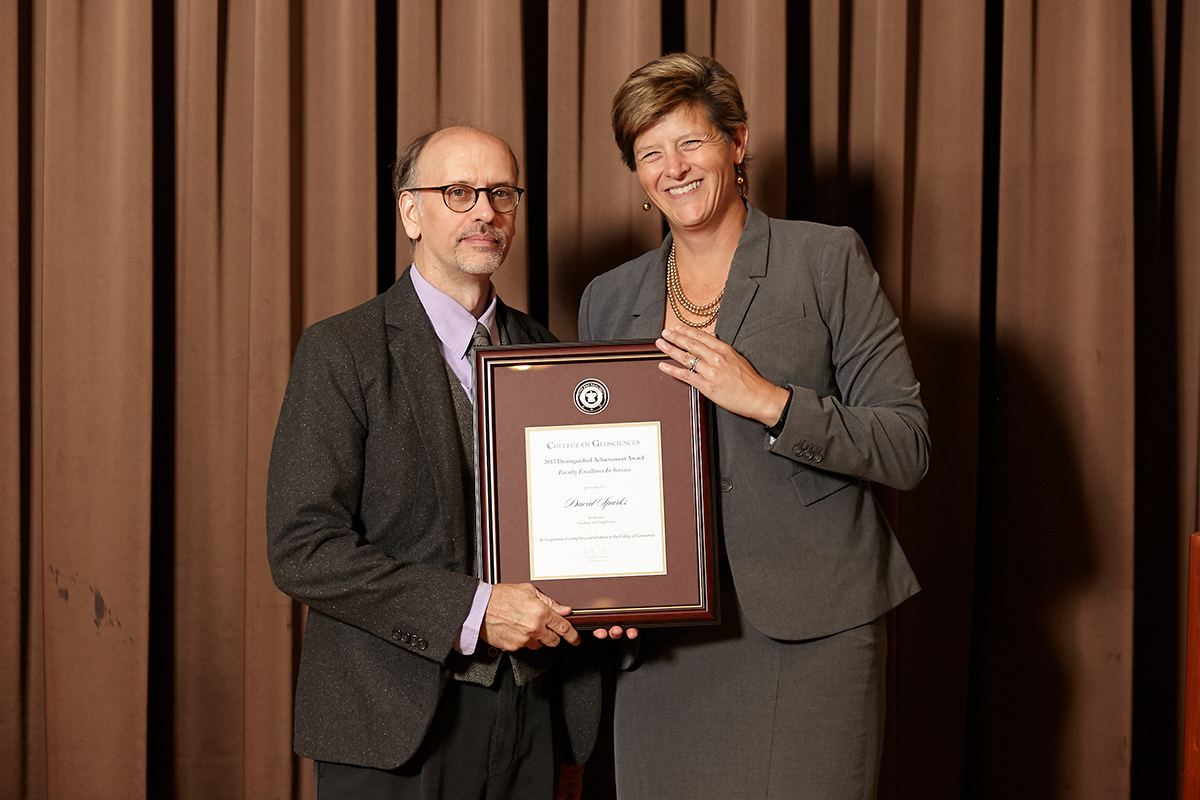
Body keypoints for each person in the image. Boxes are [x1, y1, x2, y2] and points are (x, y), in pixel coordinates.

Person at [577, 53, 930, 799]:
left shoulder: (823, 258)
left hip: (810, 630)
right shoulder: (608, 299)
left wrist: (769, 400)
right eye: (650, 152)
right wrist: (599, 590)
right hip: (665, 648)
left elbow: (907, 444)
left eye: (692, 142)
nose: (673, 167)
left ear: (737, 143)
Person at [267, 125, 601, 799]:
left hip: (535, 711)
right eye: (458, 192)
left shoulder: (552, 351)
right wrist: (473, 612)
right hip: (392, 721)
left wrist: (615, 594)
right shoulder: (341, 350)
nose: (485, 210)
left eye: (500, 192)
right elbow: (304, 549)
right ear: (411, 213)